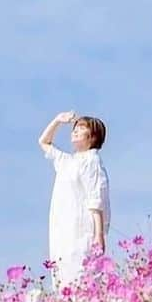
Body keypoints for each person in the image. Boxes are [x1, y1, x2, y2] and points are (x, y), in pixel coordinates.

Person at [38, 110, 110, 289]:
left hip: (82, 229)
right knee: (63, 272)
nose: (75, 131)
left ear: (93, 137)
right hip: (64, 228)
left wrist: (98, 235)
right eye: (75, 128)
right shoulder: (68, 161)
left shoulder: (91, 160)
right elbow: (44, 142)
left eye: (82, 128)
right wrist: (57, 120)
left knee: (81, 272)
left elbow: (96, 198)